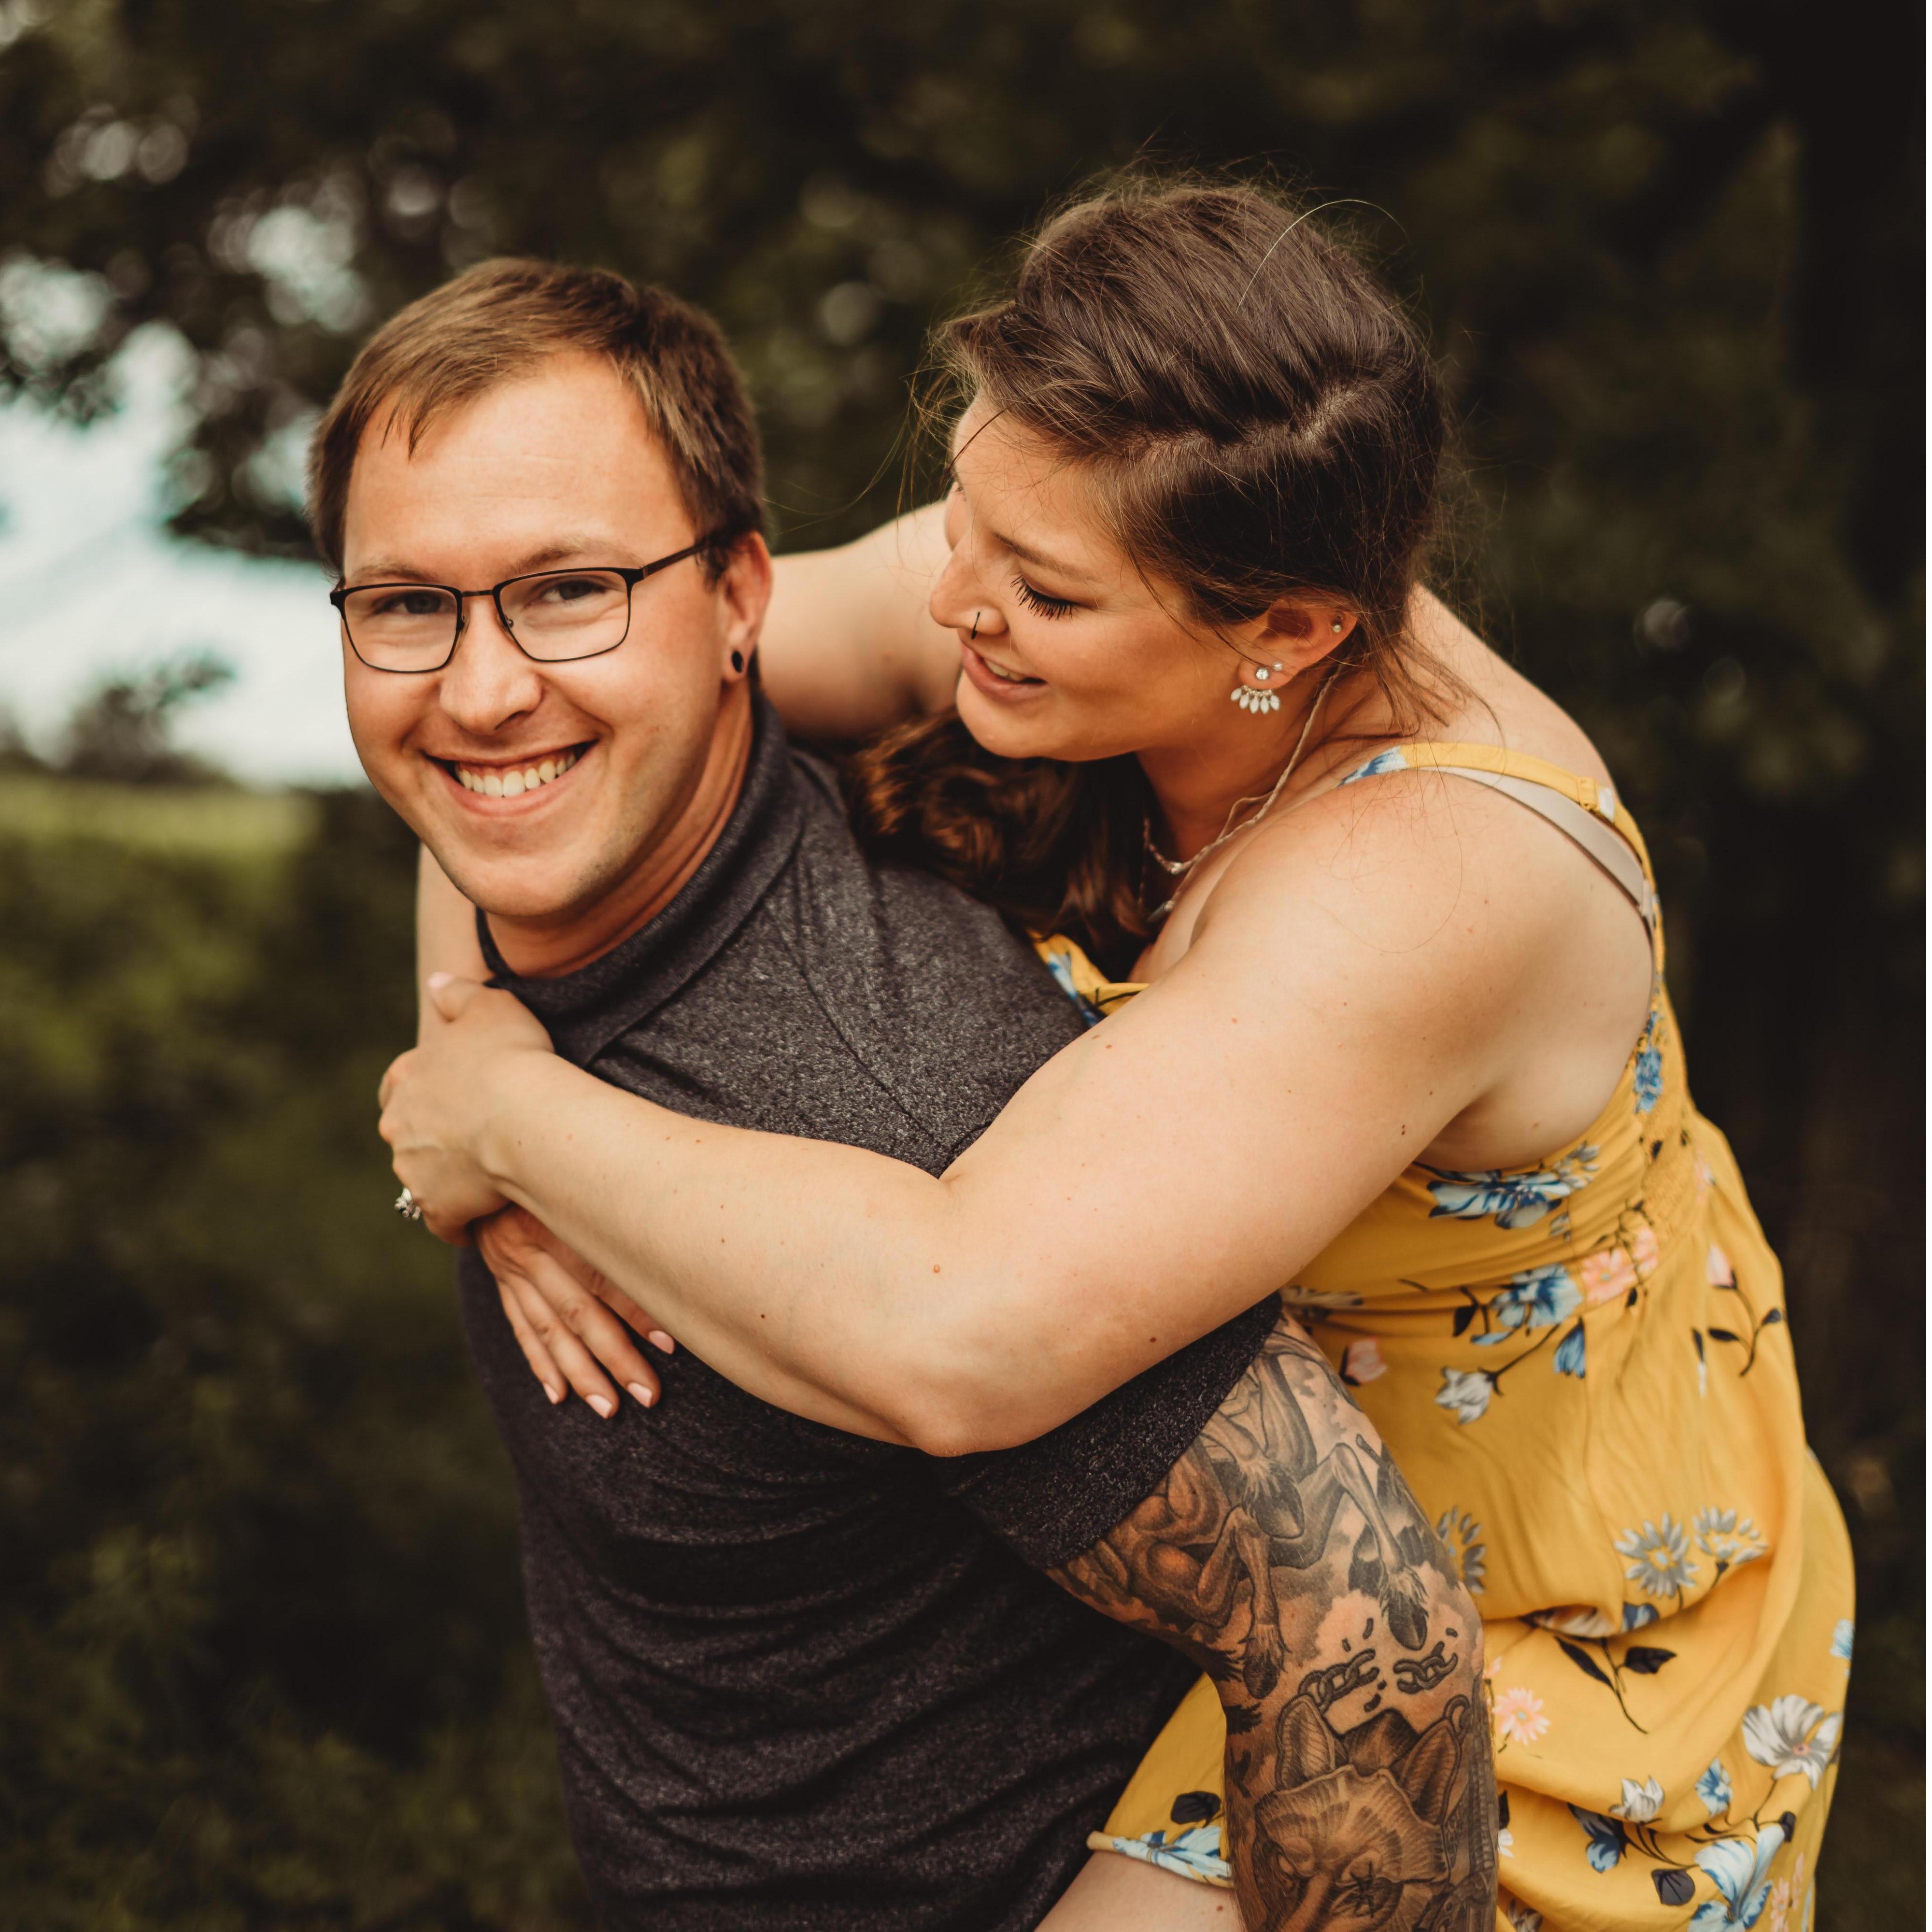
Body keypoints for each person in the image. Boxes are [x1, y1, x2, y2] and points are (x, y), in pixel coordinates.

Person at [383, 180, 1854, 1932]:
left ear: (1288, 632)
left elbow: (963, 1335)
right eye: (965, 519)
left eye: (1044, 592)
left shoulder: (1429, 880)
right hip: (1244, 1537)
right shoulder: (1052, 545)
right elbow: (549, 719)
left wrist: (518, 1123)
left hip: (1519, 1623)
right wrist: (467, 1029)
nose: (953, 597)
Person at [327, 254, 1490, 1930]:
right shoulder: (560, 840)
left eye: (571, 591)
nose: (482, 686)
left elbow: (1371, 1632)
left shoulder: (905, 1093)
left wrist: (503, 1123)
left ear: (742, 599)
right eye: (405, 606)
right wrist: (476, 1073)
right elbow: (483, 770)